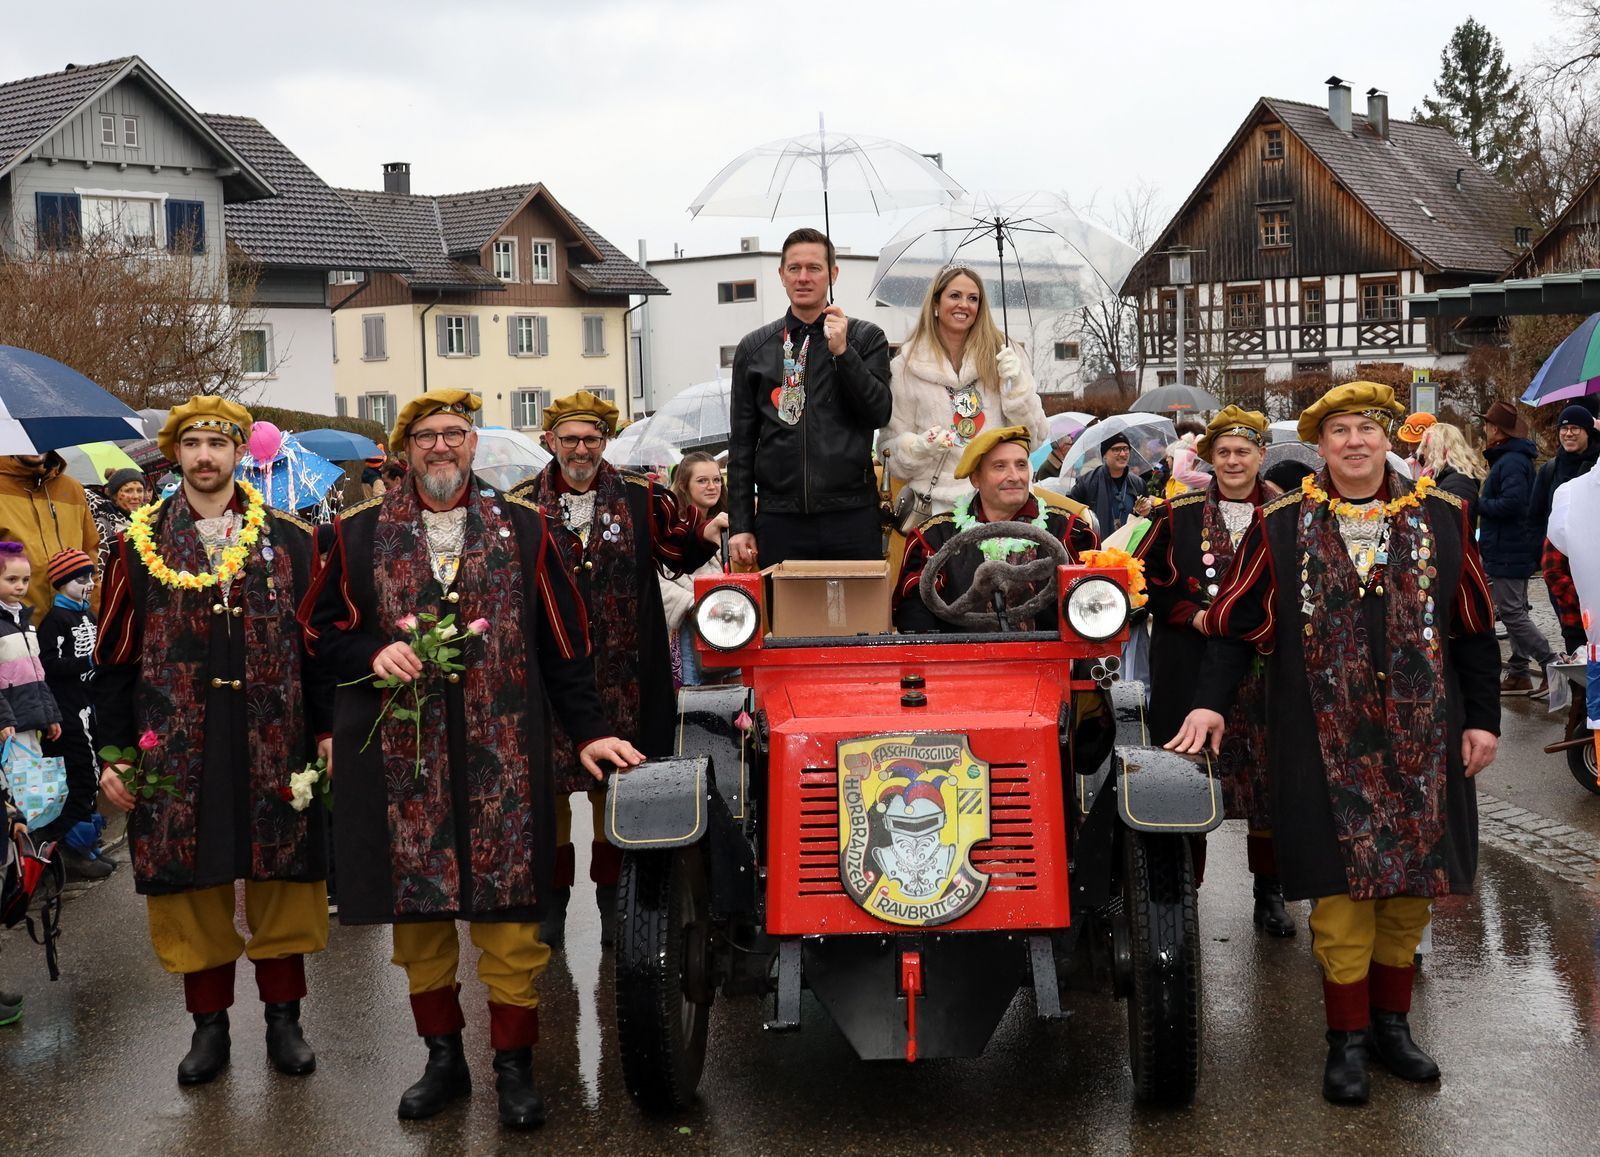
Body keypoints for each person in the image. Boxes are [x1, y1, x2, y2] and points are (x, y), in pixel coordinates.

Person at [303, 387, 642, 1130]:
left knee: (511, 926)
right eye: (427, 436)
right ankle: (443, 1061)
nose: (442, 448)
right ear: (404, 450)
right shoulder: (355, 535)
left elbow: (564, 644)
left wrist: (586, 731)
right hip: (404, 761)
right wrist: (370, 648)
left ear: (474, 445)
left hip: (504, 755)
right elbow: (320, 635)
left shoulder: (525, 527)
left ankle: (512, 1068)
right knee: (420, 921)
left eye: (455, 433)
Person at [1166, 382, 1500, 1105]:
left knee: (1411, 888)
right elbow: (1239, 622)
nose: (1354, 441)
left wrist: (1483, 719)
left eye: (1367, 429)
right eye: (1339, 430)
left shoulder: (1444, 517)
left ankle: (1392, 1026)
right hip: (1322, 738)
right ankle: (1345, 1038)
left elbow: (1474, 626)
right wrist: (1209, 704)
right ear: (1319, 446)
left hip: (1422, 737)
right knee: (1342, 897)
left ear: (1388, 441)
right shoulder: (1281, 523)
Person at [93, 397, 330, 1087]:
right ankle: (209, 1027)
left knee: (284, 877)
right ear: (177, 454)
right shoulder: (136, 545)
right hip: (175, 743)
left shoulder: (290, 538)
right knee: (189, 883)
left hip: (273, 735)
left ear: (239, 453)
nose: (205, 456)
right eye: (193, 443)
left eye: (217, 444)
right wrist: (113, 754)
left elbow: (318, 653)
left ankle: (284, 1021)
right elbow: (112, 662)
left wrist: (322, 732)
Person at [513, 390, 721, 948]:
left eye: (591, 439)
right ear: (549, 441)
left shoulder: (641, 496)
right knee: (547, 798)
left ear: (604, 443)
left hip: (629, 673)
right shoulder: (516, 504)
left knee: (619, 791)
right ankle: (550, 913)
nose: (581, 449)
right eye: (570, 439)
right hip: (552, 678)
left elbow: (679, 553)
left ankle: (615, 912)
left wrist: (714, 529)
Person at [1139, 407, 1289, 935]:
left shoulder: (1287, 511)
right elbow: (1145, 583)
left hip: (1264, 668)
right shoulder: (1174, 514)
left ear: (1260, 457)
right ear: (1208, 458)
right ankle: (1184, 898)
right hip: (1189, 664)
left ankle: (1269, 896)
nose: (1232, 461)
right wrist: (1192, 614)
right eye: (1223, 452)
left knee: (1268, 785)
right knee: (1188, 778)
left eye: (1242, 452)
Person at [727, 228, 892, 568]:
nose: (803, 277)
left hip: (852, 514)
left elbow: (879, 413)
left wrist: (844, 354)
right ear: (782, 275)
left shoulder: (865, 338)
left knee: (857, 620)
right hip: (780, 518)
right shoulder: (754, 348)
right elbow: (742, 445)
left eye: (814, 268)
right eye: (794, 268)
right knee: (786, 621)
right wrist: (740, 525)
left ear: (832, 274)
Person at [879, 265, 1048, 515]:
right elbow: (888, 454)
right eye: (955, 296)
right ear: (936, 303)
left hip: (1003, 503)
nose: (964, 305)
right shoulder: (905, 366)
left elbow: (1034, 439)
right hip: (938, 507)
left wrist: (1017, 388)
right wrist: (917, 447)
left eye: (973, 298)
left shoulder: (1004, 353)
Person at [895, 427, 1096, 634]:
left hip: (1051, 662)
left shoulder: (1069, 530)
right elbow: (914, 616)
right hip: (965, 662)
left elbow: (1094, 606)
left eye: (1021, 465)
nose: (1015, 476)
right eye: (1000, 467)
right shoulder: (934, 536)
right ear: (975, 478)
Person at [35, 549, 112, 880]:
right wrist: (88, 662)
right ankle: (70, 847)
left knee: (93, 771)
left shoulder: (88, 617)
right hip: (66, 711)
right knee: (79, 773)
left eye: (91, 577)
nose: (89, 585)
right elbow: (48, 664)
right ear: (61, 582)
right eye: (82, 579)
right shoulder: (54, 621)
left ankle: (86, 844)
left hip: (89, 705)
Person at [1476, 399, 1555, 696]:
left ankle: (1550, 662)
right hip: (1512, 545)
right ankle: (1519, 672)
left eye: (1487, 424)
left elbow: (1513, 503)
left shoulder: (1510, 461)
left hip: (1509, 547)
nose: (1484, 428)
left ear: (1496, 428)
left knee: (1511, 613)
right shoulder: (1511, 458)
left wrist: (1476, 505)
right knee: (1517, 608)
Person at [0, 451, 99, 619]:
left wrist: (97, 613)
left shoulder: (72, 489)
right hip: (16, 626)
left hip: (74, 625)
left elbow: (90, 555)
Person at [660, 452, 729, 689]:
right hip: (689, 631)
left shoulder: (729, 525)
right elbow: (659, 579)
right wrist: (693, 604)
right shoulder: (668, 528)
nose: (712, 487)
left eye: (717, 480)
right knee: (692, 709)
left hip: (731, 627)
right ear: (683, 484)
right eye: (702, 480)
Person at [1069, 430, 1152, 537]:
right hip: (1098, 549)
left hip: (1130, 547)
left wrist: (1146, 512)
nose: (1122, 454)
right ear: (1104, 455)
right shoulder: (1087, 483)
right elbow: (1073, 514)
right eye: (1116, 449)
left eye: (1125, 448)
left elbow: (1146, 521)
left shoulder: (1138, 483)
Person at [1415, 422, 1485, 535]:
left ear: (1438, 448)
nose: (1423, 452)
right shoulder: (1445, 478)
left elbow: (1452, 529)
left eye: (1425, 447)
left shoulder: (1458, 483)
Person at [1395, 412, 1436, 477]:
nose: (1410, 448)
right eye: (1408, 442)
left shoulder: (1446, 467)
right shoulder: (1406, 466)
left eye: (1416, 443)